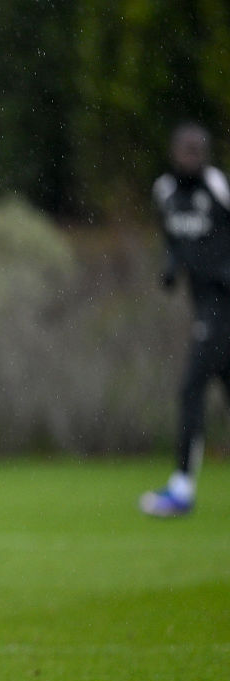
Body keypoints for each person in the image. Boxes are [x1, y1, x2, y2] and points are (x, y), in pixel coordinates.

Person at [140, 123, 230, 517]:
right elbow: (175, 239)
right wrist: (173, 265)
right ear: (174, 151)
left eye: (199, 150)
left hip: (223, 302)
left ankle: (181, 488)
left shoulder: (217, 186)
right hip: (203, 303)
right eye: (186, 150)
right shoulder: (165, 191)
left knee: (192, 388)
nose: (192, 157)